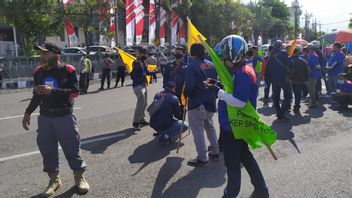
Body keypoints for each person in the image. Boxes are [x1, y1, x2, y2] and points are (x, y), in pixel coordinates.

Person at [21, 42, 89, 197]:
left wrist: (53, 91)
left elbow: (74, 93)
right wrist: (27, 113)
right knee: (47, 149)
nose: (42, 56)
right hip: (45, 118)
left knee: (72, 147)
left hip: (64, 117)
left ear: (56, 54)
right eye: (41, 54)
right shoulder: (38, 71)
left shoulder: (68, 70)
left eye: (45, 53)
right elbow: (37, 95)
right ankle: (54, 180)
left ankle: (79, 177)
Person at [209, 35, 269, 198]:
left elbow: (240, 101)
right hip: (237, 124)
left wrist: (219, 92)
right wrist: (218, 85)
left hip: (234, 126)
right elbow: (234, 90)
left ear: (235, 56)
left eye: (226, 58)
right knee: (246, 157)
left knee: (232, 164)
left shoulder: (243, 72)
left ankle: (230, 194)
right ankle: (261, 189)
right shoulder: (243, 68)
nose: (224, 61)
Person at [184, 43, 219, 167]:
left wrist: (185, 94)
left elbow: (189, 87)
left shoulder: (192, 66)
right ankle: (215, 151)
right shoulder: (211, 64)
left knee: (198, 131)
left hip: (197, 102)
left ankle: (202, 157)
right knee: (210, 126)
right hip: (210, 100)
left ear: (193, 53)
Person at [265, 40, 292, 121]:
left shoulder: (270, 55)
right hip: (283, 79)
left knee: (276, 97)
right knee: (288, 96)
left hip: (274, 80)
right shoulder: (283, 53)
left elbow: (267, 69)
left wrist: (268, 79)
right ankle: (281, 112)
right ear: (281, 46)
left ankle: (279, 112)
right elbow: (290, 63)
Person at [131, 47, 152, 131]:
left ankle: (142, 120)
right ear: (140, 54)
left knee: (145, 103)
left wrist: (154, 72)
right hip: (138, 85)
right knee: (141, 102)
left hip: (143, 84)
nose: (145, 55)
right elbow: (135, 74)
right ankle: (135, 123)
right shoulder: (136, 62)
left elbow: (146, 72)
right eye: (144, 53)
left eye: (146, 54)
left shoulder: (144, 62)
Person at [290, 48, 308, 113]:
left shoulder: (288, 60)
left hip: (290, 80)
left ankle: (288, 106)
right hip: (300, 80)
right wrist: (306, 80)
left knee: (289, 94)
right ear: (297, 52)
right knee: (298, 95)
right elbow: (306, 72)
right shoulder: (303, 61)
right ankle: (297, 107)